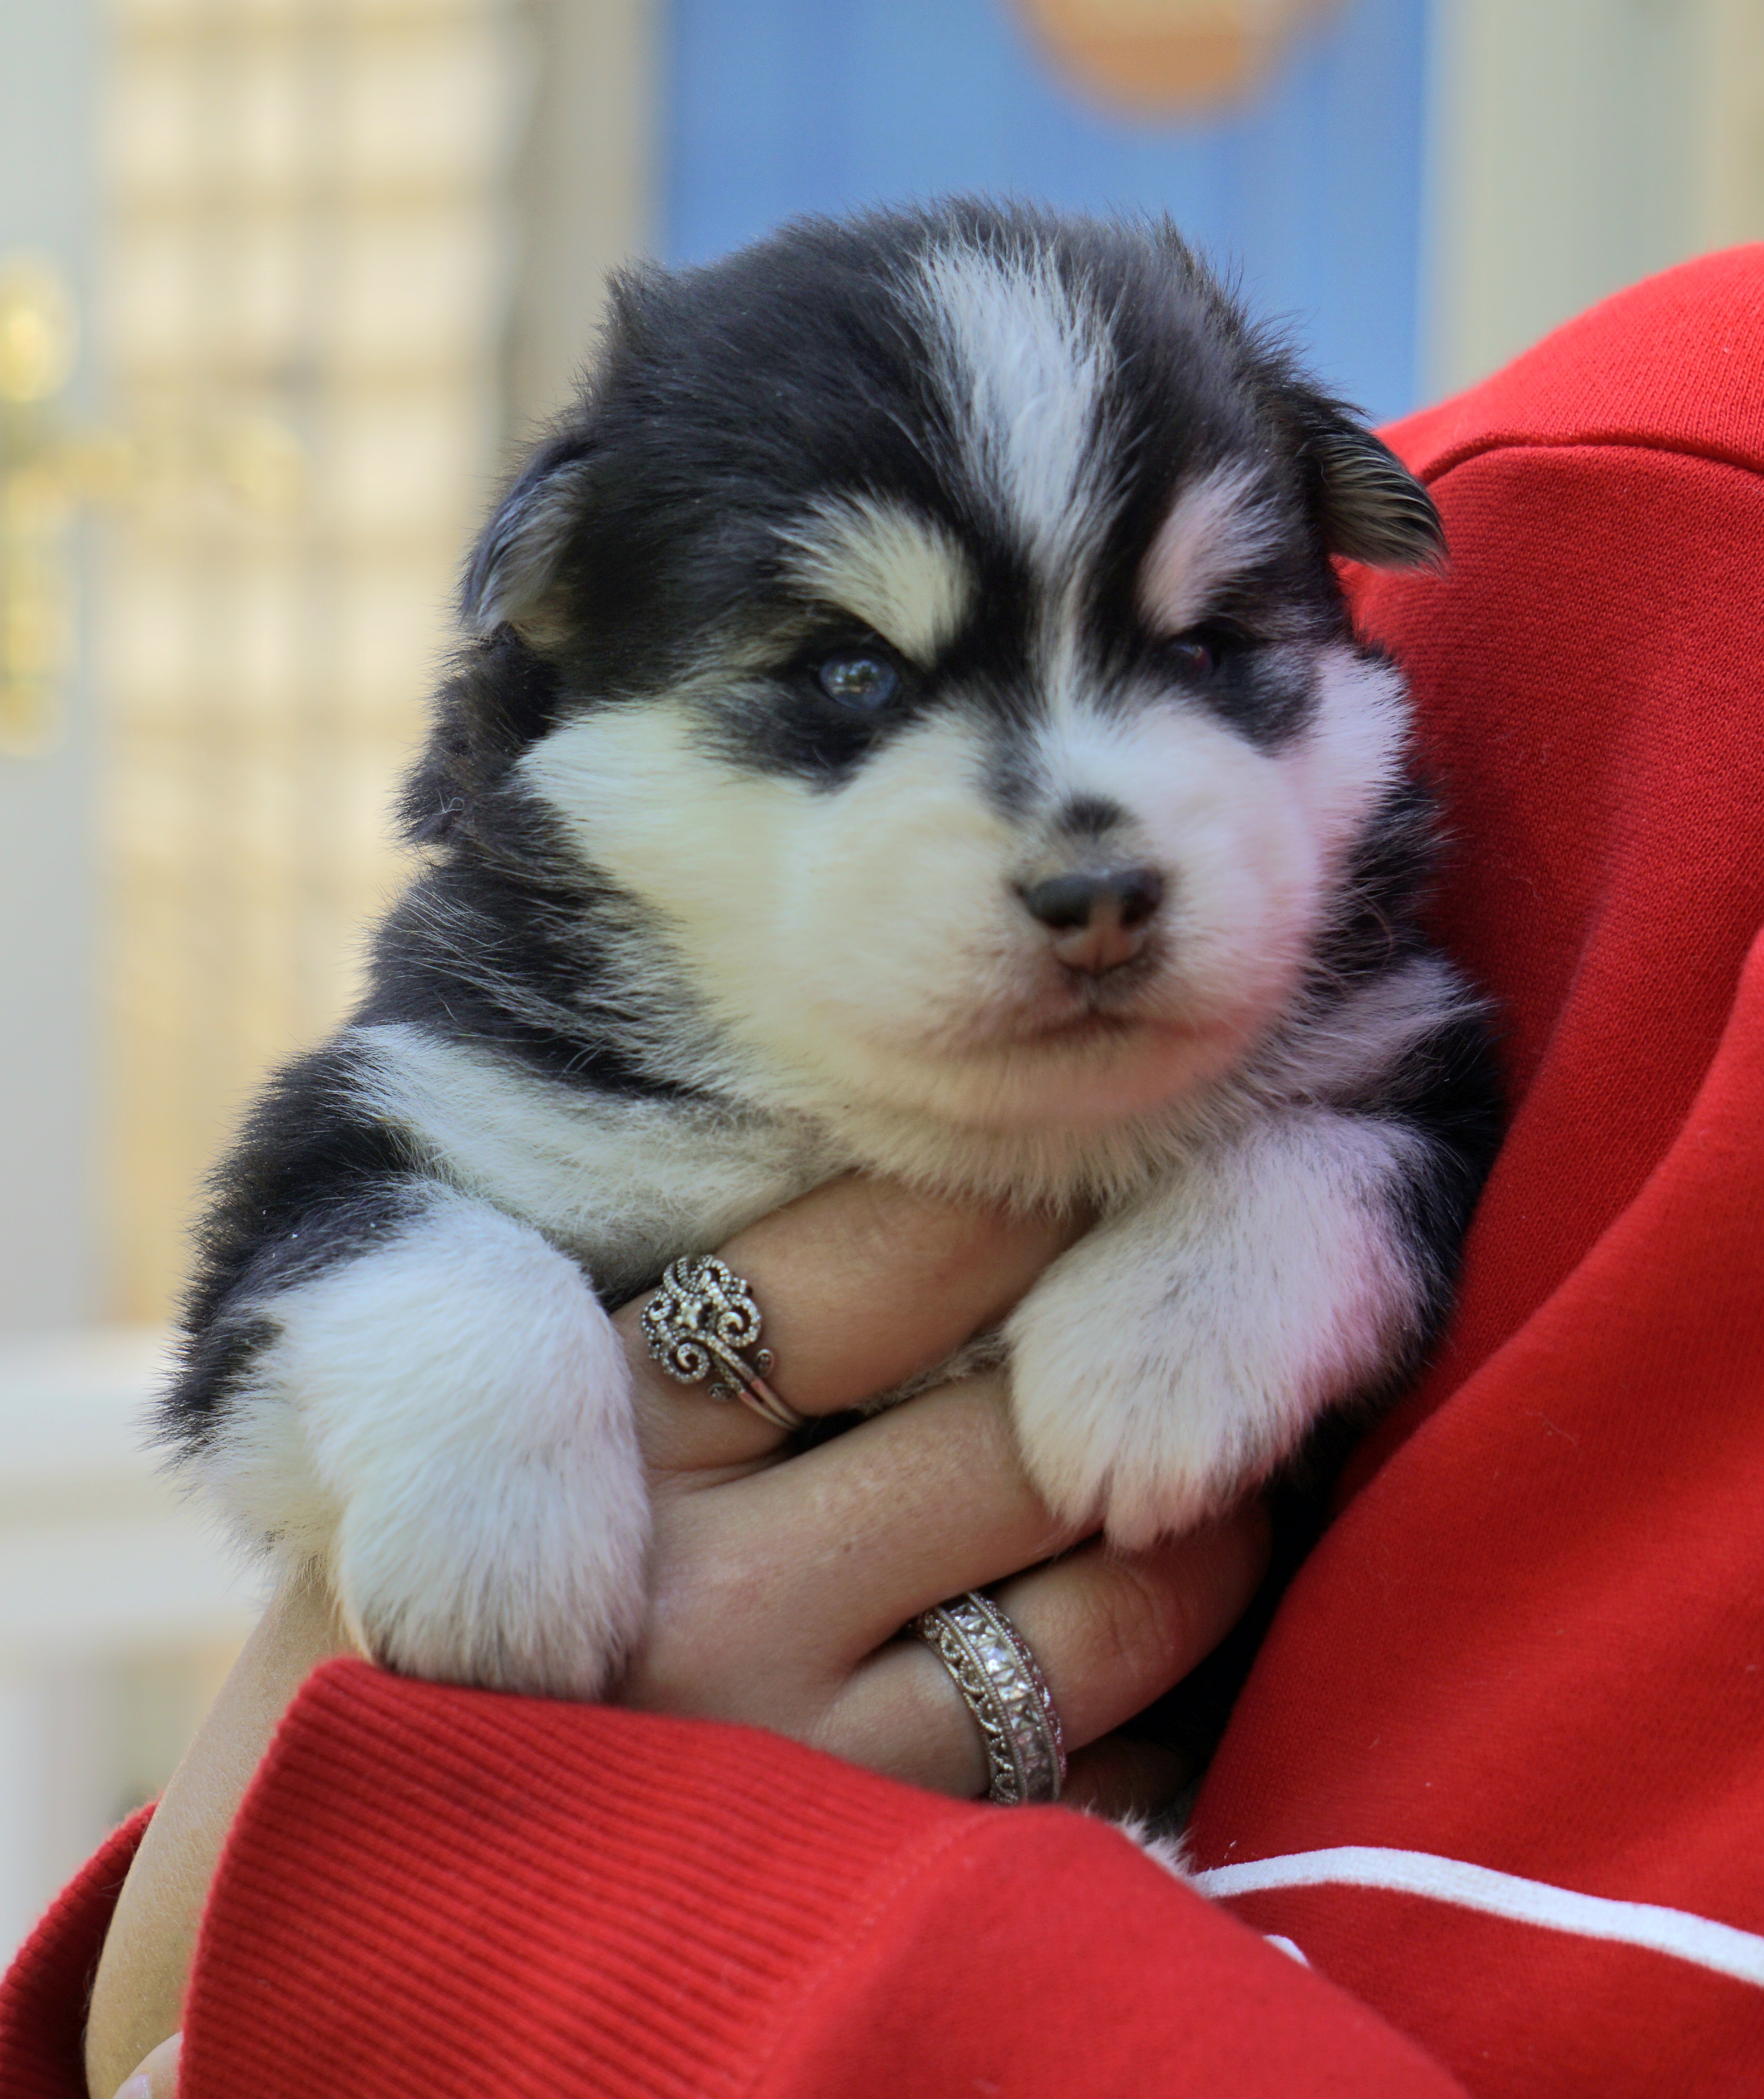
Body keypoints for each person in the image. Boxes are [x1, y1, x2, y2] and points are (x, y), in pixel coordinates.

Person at [4, 242, 1761, 2099]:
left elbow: (1431, 1138)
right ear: (555, 665)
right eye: (847, 672)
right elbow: (307, 1279)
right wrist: (469, 1375)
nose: (1093, 862)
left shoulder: (1371, 1047)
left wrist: (1308, 1215)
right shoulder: (1640, 496)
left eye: (1201, 651)